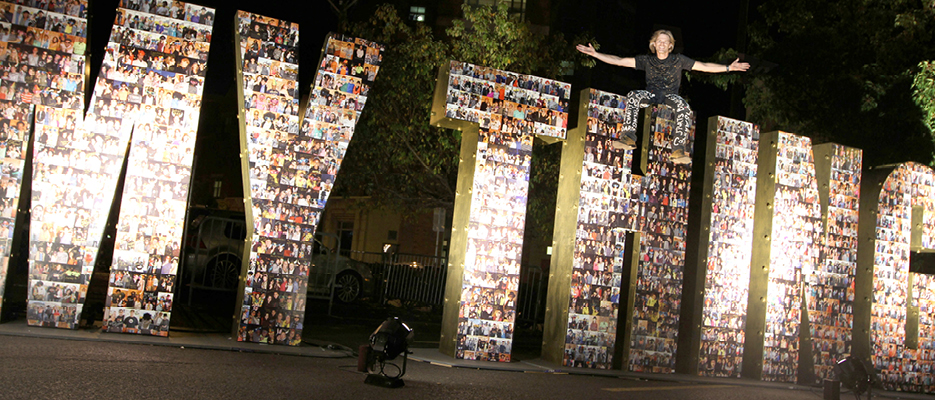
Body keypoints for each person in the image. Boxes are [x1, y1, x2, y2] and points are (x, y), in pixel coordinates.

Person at [577, 29, 750, 163]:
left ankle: (678, 149)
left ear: (670, 46)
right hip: (651, 94)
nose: (661, 44)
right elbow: (620, 61)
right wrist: (596, 54)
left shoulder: (679, 60)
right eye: (659, 41)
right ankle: (628, 137)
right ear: (654, 44)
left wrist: (728, 68)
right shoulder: (646, 60)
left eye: (665, 42)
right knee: (633, 95)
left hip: (670, 95)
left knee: (683, 106)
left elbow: (704, 66)